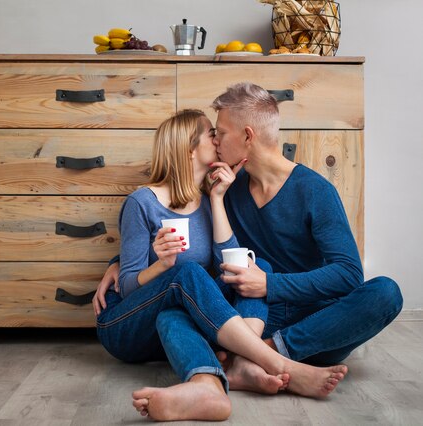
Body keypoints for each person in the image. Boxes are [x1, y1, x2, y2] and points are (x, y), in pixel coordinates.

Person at [95, 83, 402, 396]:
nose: (215, 140)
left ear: (247, 136)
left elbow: (349, 275)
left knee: (386, 292)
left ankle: (260, 355)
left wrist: (270, 285)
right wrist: (119, 262)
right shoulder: (227, 188)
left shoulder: (316, 191)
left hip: (311, 326)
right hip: (242, 316)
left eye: (221, 133)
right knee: (175, 313)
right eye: (211, 134)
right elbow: (176, 232)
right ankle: (252, 362)